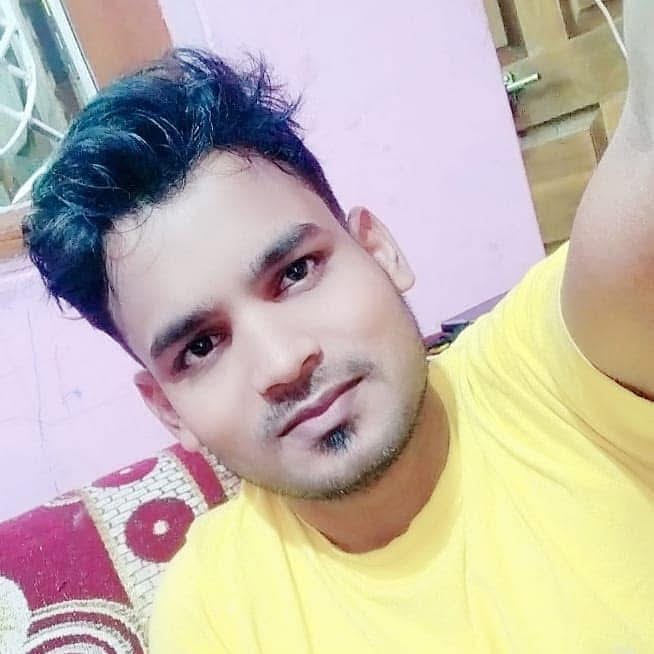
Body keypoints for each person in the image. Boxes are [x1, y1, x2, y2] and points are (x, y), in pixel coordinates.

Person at [23, 2, 654, 650]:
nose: (281, 362)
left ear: (379, 250)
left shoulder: (568, 362)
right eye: (202, 347)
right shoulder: (215, 608)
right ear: (167, 409)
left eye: (296, 273)